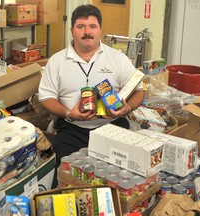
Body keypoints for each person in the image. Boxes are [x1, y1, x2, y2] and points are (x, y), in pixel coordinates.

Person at [38, 4, 145, 187]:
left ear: (100, 30)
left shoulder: (117, 58)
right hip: (72, 129)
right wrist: (69, 113)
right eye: (81, 27)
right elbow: (45, 97)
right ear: (72, 31)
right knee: (66, 179)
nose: (87, 32)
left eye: (92, 27)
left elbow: (139, 89)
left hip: (113, 127)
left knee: (121, 180)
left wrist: (127, 107)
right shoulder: (57, 61)